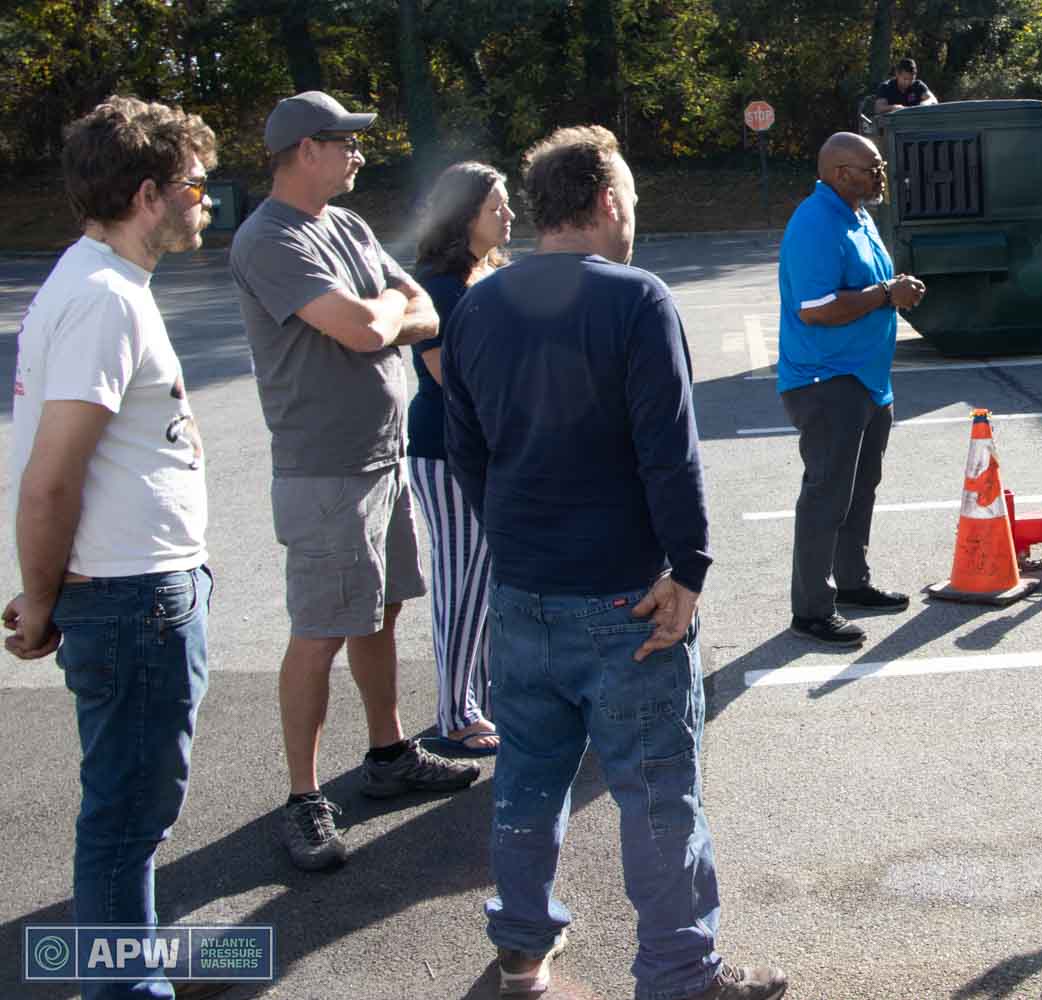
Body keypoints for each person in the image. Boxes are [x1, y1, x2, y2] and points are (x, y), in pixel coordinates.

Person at [443, 125, 789, 1000]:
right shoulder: (636, 298)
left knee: (526, 778)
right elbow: (668, 451)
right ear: (604, 201)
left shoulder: (478, 305)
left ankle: (522, 951)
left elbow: (468, 450)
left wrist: (512, 540)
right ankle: (681, 973)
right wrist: (691, 569)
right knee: (658, 793)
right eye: (629, 197)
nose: (632, 214)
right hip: (626, 599)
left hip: (521, 596)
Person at [4, 95, 223, 1000]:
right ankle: (127, 989)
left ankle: (136, 962)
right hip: (133, 600)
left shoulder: (99, 284)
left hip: (133, 591)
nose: (206, 200)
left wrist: (51, 587)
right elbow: (52, 475)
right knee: (126, 820)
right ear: (148, 195)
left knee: (129, 812)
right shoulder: (102, 300)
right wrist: (44, 596)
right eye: (196, 186)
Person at [230, 91, 479, 872]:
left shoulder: (347, 225)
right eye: (347, 143)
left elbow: (421, 313)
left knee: (383, 611)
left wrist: (385, 313)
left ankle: (387, 754)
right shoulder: (268, 238)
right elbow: (367, 326)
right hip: (324, 470)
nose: (359, 155)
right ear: (306, 149)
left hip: (382, 455)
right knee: (321, 630)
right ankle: (303, 799)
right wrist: (385, 314)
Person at [777, 132, 926, 647]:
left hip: (866, 380)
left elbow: (867, 288)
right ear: (842, 173)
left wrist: (892, 289)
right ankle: (811, 610)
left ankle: (851, 584)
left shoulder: (857, 215)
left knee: (860, 489)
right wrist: (887, 294)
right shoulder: (816, 223)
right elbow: (816, 309)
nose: (881, 173)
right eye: (872, 166)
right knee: (826, 495)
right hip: (826, 381)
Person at [407, 161, 516, 757]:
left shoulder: (486, 275)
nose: (509, 214)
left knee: (490, 580)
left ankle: (487, 699)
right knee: (461, 581)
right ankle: (454, 713)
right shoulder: (438, 286)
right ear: (463, 214)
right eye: (496, 206)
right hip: (445, 453)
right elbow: (446, 373)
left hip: (487, 451)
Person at [874, 57, 938, 113]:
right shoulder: (886, 87)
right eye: (905, 79)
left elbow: (933, 100)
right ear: (897, 74)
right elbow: (879, 108)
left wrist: (923, 105)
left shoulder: (918, 85)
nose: (908, 82)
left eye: (911, 79)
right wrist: (893, 107)